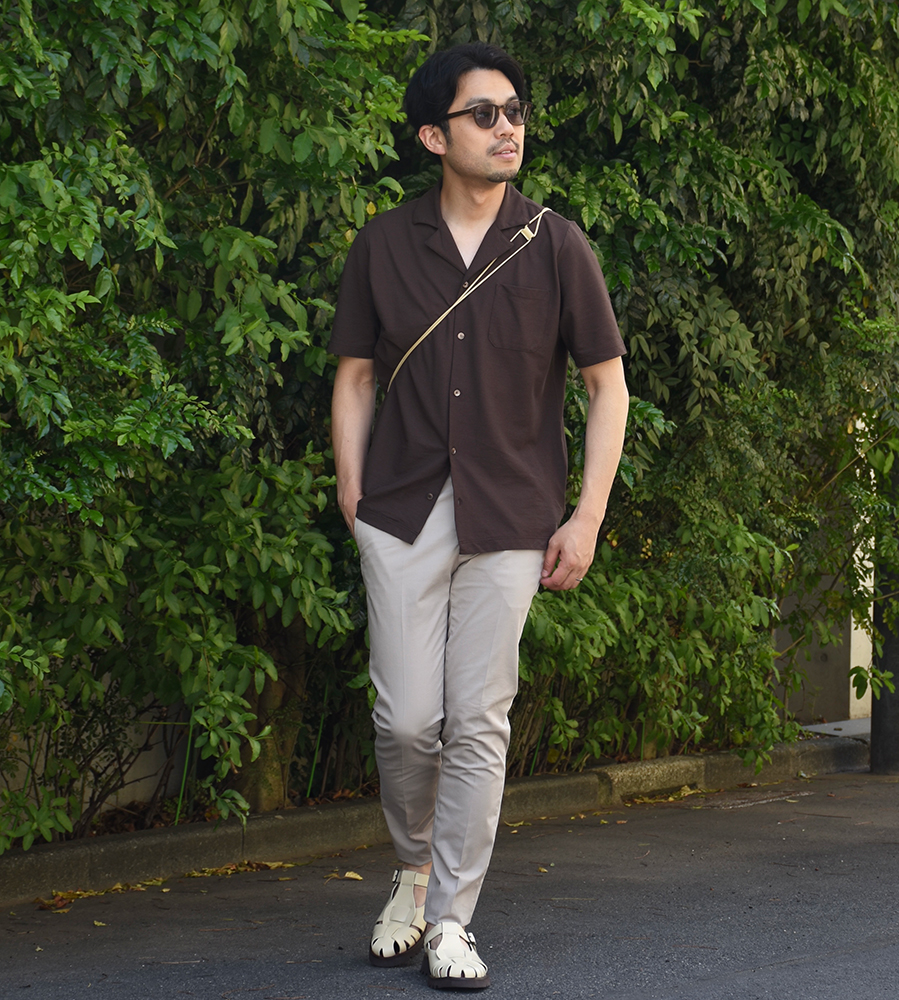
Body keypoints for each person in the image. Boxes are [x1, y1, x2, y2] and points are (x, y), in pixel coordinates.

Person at [329, 41, 629, 990]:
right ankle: (411, 867)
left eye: (516, 111)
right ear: (434, 136)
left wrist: (585, 517)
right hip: (402, 508)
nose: (508, 128)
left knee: (479, 720)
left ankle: (452, 916)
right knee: (406, 720)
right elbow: (355, 375)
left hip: (512, 514)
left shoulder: (556, 244)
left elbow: (608, 387)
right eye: (484, 113)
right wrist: (351, 487)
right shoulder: (384, 244)